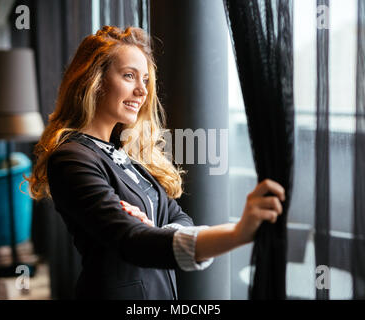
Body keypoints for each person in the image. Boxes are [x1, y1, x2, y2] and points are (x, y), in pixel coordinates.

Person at [26, 25, 285, 300]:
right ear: (95, 80)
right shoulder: (71, 157)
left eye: (146, 80)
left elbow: (178, 216)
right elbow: (131, 241)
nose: (142, 91)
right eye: (129, 76)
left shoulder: (122, 152)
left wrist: (153, 229)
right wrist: (236, 233)